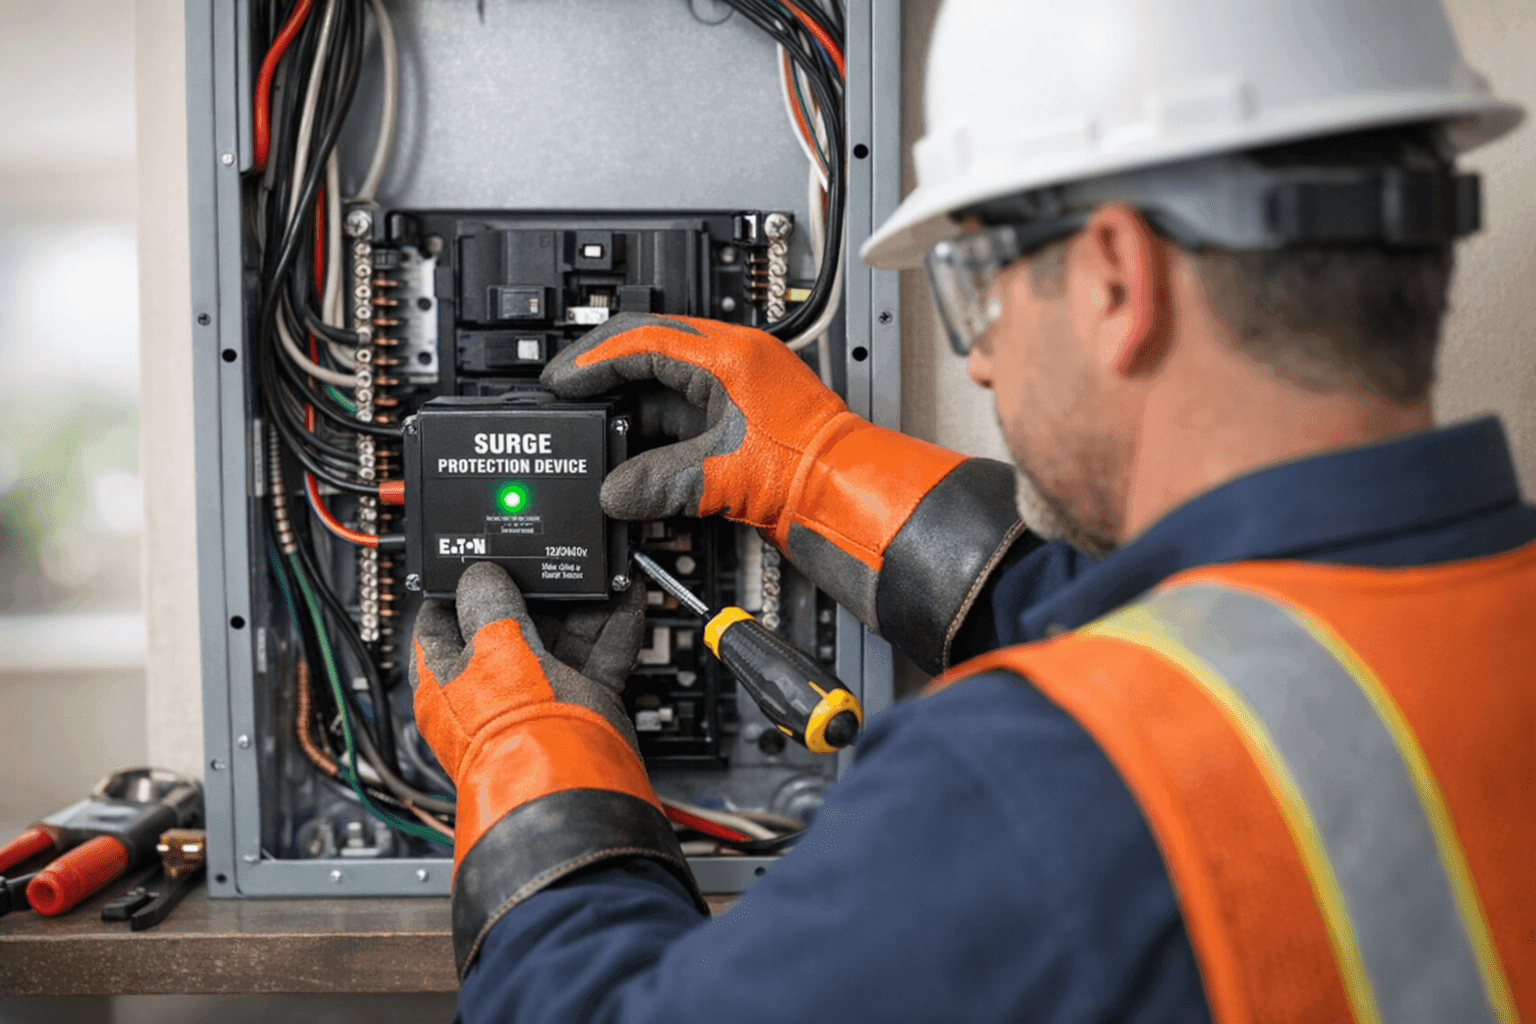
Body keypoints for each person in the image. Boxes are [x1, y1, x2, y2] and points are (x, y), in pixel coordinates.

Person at [410, 1, 1534, 1020]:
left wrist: (525, 754)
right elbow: (1247, 657)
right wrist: (819, 473)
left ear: (1113, 280)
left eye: (978, 284)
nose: (983, 359)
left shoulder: (1032, 786)